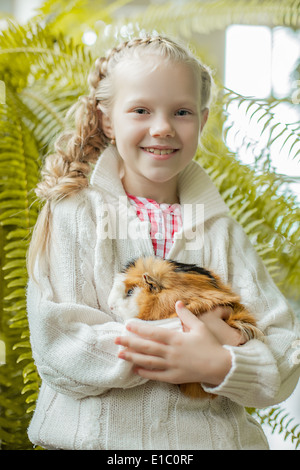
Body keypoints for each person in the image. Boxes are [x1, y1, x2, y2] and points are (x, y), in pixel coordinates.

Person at [26, 34, 299, 450]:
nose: (163, 127)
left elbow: (284, 349)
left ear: (203, 121)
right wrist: (189, 345)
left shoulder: (221, 232)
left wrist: (219, 362)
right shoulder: (74, 214)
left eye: (182, 111)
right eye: (140, 110)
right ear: (107, 120)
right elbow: (59, 340)